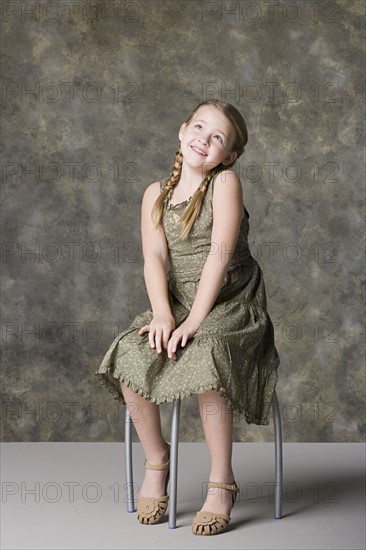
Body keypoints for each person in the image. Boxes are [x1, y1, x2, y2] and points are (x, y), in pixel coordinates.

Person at [95, 99, 280, 536]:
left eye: (218, 138)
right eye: (199, 127)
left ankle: (222, 481)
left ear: (228, 155)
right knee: (131, 351)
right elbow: (154, 257)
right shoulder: (154, 194)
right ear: (182, 132)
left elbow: (217, 258)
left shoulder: (225, 184)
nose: (205, 139)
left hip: (232, 302)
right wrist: (163, 314)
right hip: (178, 303)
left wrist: (194, 323)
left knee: (209, 354)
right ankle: (157, 462)